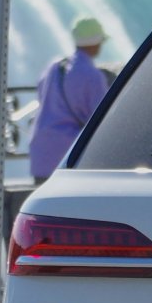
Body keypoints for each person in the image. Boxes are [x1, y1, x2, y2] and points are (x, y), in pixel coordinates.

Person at [29, 16, 110, 183]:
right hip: (69, 158)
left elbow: (41, 93)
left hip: (41, 153)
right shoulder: (93, 76)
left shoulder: (55, 67)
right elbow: (101, 119)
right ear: (95, 43)